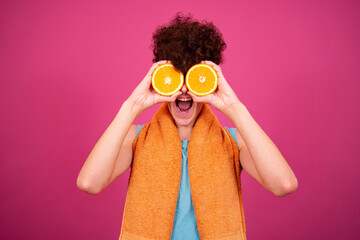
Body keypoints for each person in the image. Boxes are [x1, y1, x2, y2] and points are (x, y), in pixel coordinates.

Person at [77, 13, 298, 240]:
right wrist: (132, 105)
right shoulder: (136, 138)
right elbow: (89, 183)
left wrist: (234, 107)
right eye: (175, 76)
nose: (183, 90)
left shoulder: (233, 142)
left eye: (192, 77)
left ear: (207, 80)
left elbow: (284, 184)